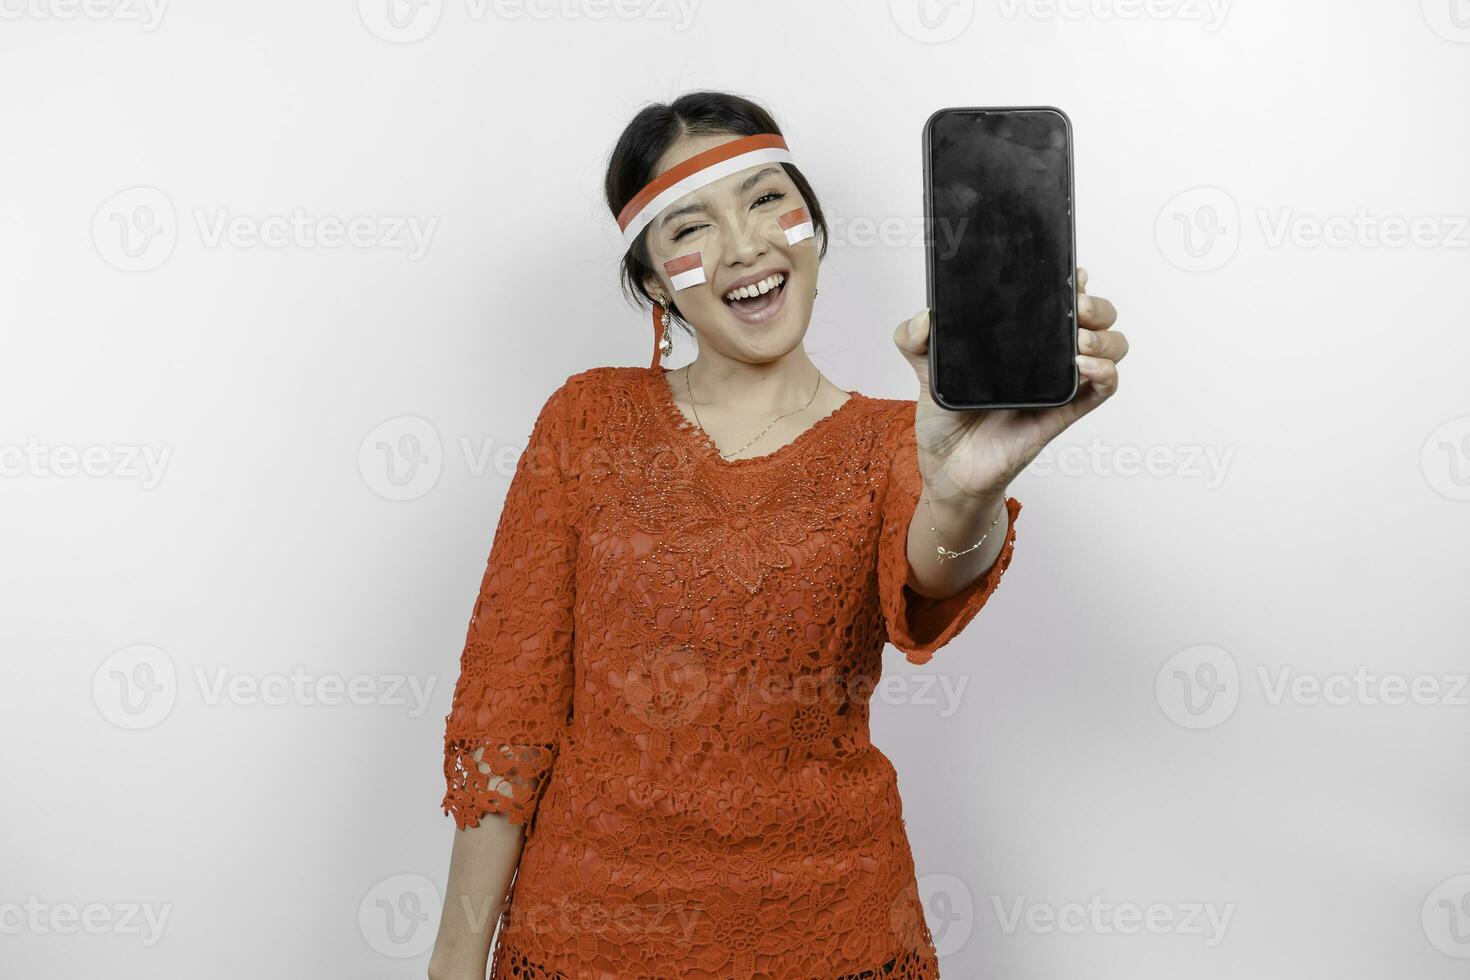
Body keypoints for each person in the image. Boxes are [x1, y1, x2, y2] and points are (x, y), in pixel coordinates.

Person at [427, 90, 1126, 980]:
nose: (745, 244)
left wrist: (968, 489)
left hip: (835, 931)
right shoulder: (586, 421)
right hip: (588, 939)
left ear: (812, 230)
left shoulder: (895, 440)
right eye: (690, 226)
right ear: (650, 278)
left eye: (764, 199)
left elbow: (933, 577)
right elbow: (507, 714)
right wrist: (454, 963)